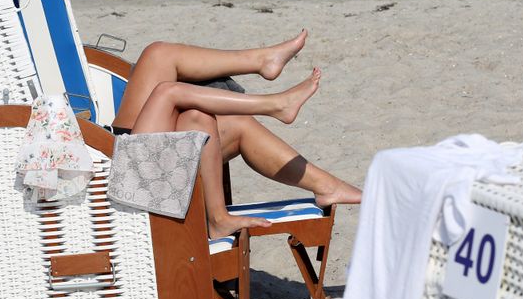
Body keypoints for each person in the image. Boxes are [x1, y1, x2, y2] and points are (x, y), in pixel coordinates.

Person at [108, 29, 362, 239]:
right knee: (168, 91)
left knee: (167, 68)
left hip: (130, 150)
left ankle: (328, 186)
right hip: (126, 171)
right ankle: (274, 103)